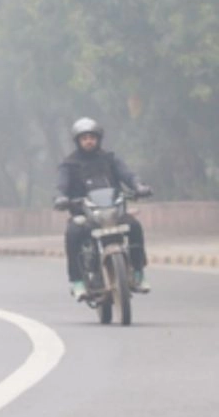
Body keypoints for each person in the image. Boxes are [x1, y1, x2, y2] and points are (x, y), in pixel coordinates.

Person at [54, 118, 153, 300]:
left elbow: (128, 175)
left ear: (98, 139)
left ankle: (138, 273)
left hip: (114, 212)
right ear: (78, 141)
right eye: (84, 138)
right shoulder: (69, 164)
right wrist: (62, 197)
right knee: (73, 233)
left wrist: (138, 185)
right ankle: (77, 281)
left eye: (92, 137)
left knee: (135, 227)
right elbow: (62, 185)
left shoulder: (110, 159)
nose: (89, 141)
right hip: (85, 215)